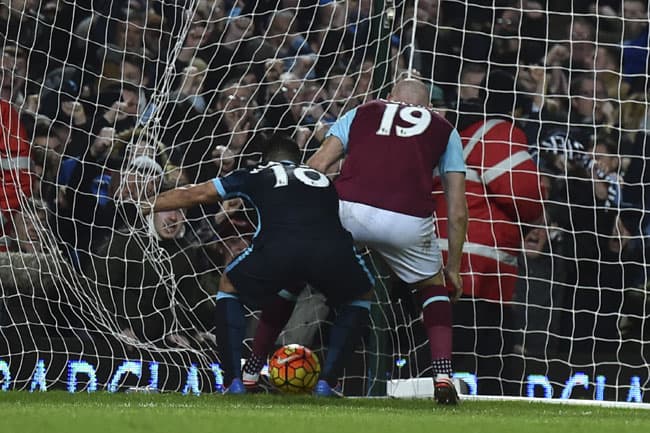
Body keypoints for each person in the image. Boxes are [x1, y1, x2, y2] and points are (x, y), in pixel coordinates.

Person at [143, 135, 375, 397]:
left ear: (267, 159)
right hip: (332, 249)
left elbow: (201, 193)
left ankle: (234, 381)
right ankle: (327, 381)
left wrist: (149, 204)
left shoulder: (257, 172)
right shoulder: (319, 177)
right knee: (358, 293)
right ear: (297, 159)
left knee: (229, 286)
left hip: (280, 248)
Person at [307, 78, 468, 404]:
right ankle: (442, 376)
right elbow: (457, 211)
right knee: (431, 287)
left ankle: (271, 369)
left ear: (389, 98)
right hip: (407, 221)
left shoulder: (361, 111)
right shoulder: (444, 128)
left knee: (313, 278)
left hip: (347, 210)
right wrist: (453, 267)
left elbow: (317, 166)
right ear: (428, 107)